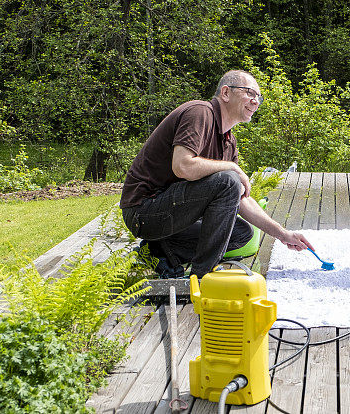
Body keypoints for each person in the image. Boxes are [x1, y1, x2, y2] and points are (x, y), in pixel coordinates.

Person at [120, 70, 313, 279]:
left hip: (171, 215)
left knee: (241, 233)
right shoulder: (200, 113)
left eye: (259, 97)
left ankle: (158, 252)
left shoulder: (229, 141)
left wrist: (283, 234)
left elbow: (241, 199)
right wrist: (233, 168)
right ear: (226, 93)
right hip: (144, 211)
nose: (255, 102)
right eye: (250, 93)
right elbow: (182, 166)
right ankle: (203, 275)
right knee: (229, 180)